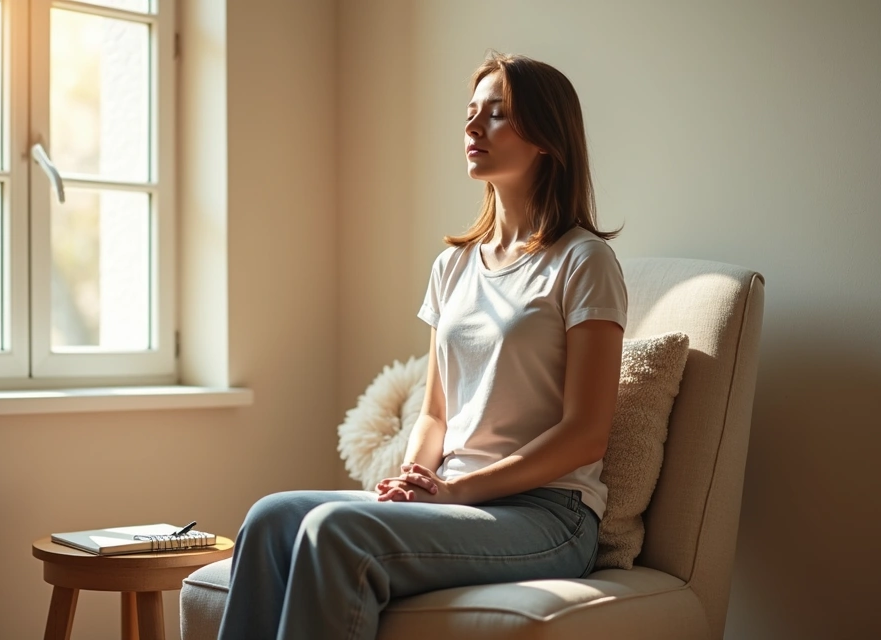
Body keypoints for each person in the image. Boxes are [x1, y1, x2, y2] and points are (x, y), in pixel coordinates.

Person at [217, 52, 628, 640]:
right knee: (271, 518)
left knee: (336, 530)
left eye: (498, 114)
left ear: (546, 137)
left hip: (547, 514)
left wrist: (457, 490)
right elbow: (436, 411)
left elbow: (586, 432)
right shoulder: (453, 266)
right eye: (471, 112)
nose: (472, 127)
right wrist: (414, 477)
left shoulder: (583, 262)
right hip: (455, 497)